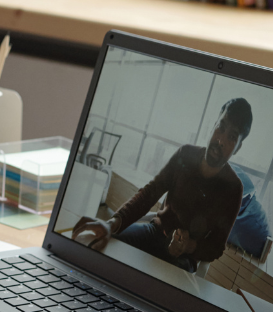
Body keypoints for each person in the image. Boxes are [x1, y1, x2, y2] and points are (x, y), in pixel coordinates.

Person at [72, 98, 252, 271]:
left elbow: (216, 247)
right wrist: (111, 223)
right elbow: (150, 193)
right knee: (101, 245)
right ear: (213, 125)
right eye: (220, 127)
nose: (220, 140)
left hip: (184, 258)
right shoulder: (185, 154)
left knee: (156, 290)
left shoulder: (233, 189)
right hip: (153, 233)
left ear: (238, 147)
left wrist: (188, 246)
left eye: (232, 137)